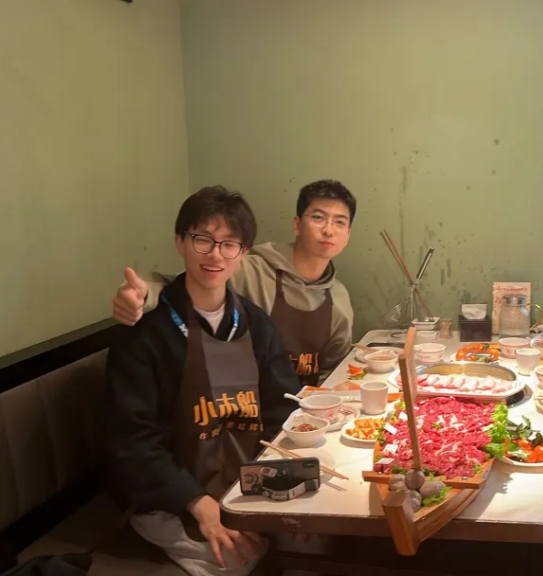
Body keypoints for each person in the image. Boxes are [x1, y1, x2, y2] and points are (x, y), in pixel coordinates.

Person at [105, 187, 301, 576]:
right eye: (203, 240)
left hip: (246, 485)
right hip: (171, 497)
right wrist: (196, 501)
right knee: (233, 561)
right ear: (180, 242)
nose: (215, 254)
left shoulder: (256, 323)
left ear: (243, 253)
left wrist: (287, 478)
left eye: (229, 244)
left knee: (314, 537)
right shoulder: (145, 332)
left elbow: (283, 409)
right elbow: (132, 442)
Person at [114, 180, 356, 388]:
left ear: (348, 235)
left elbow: (334, 372)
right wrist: (140, 294)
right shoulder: (249, 269)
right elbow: (184, 282)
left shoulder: (340, 298)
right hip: (240, 400)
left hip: (298, 417)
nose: (328, 230)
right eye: (318, 217)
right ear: (296, 225)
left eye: (339, 222)